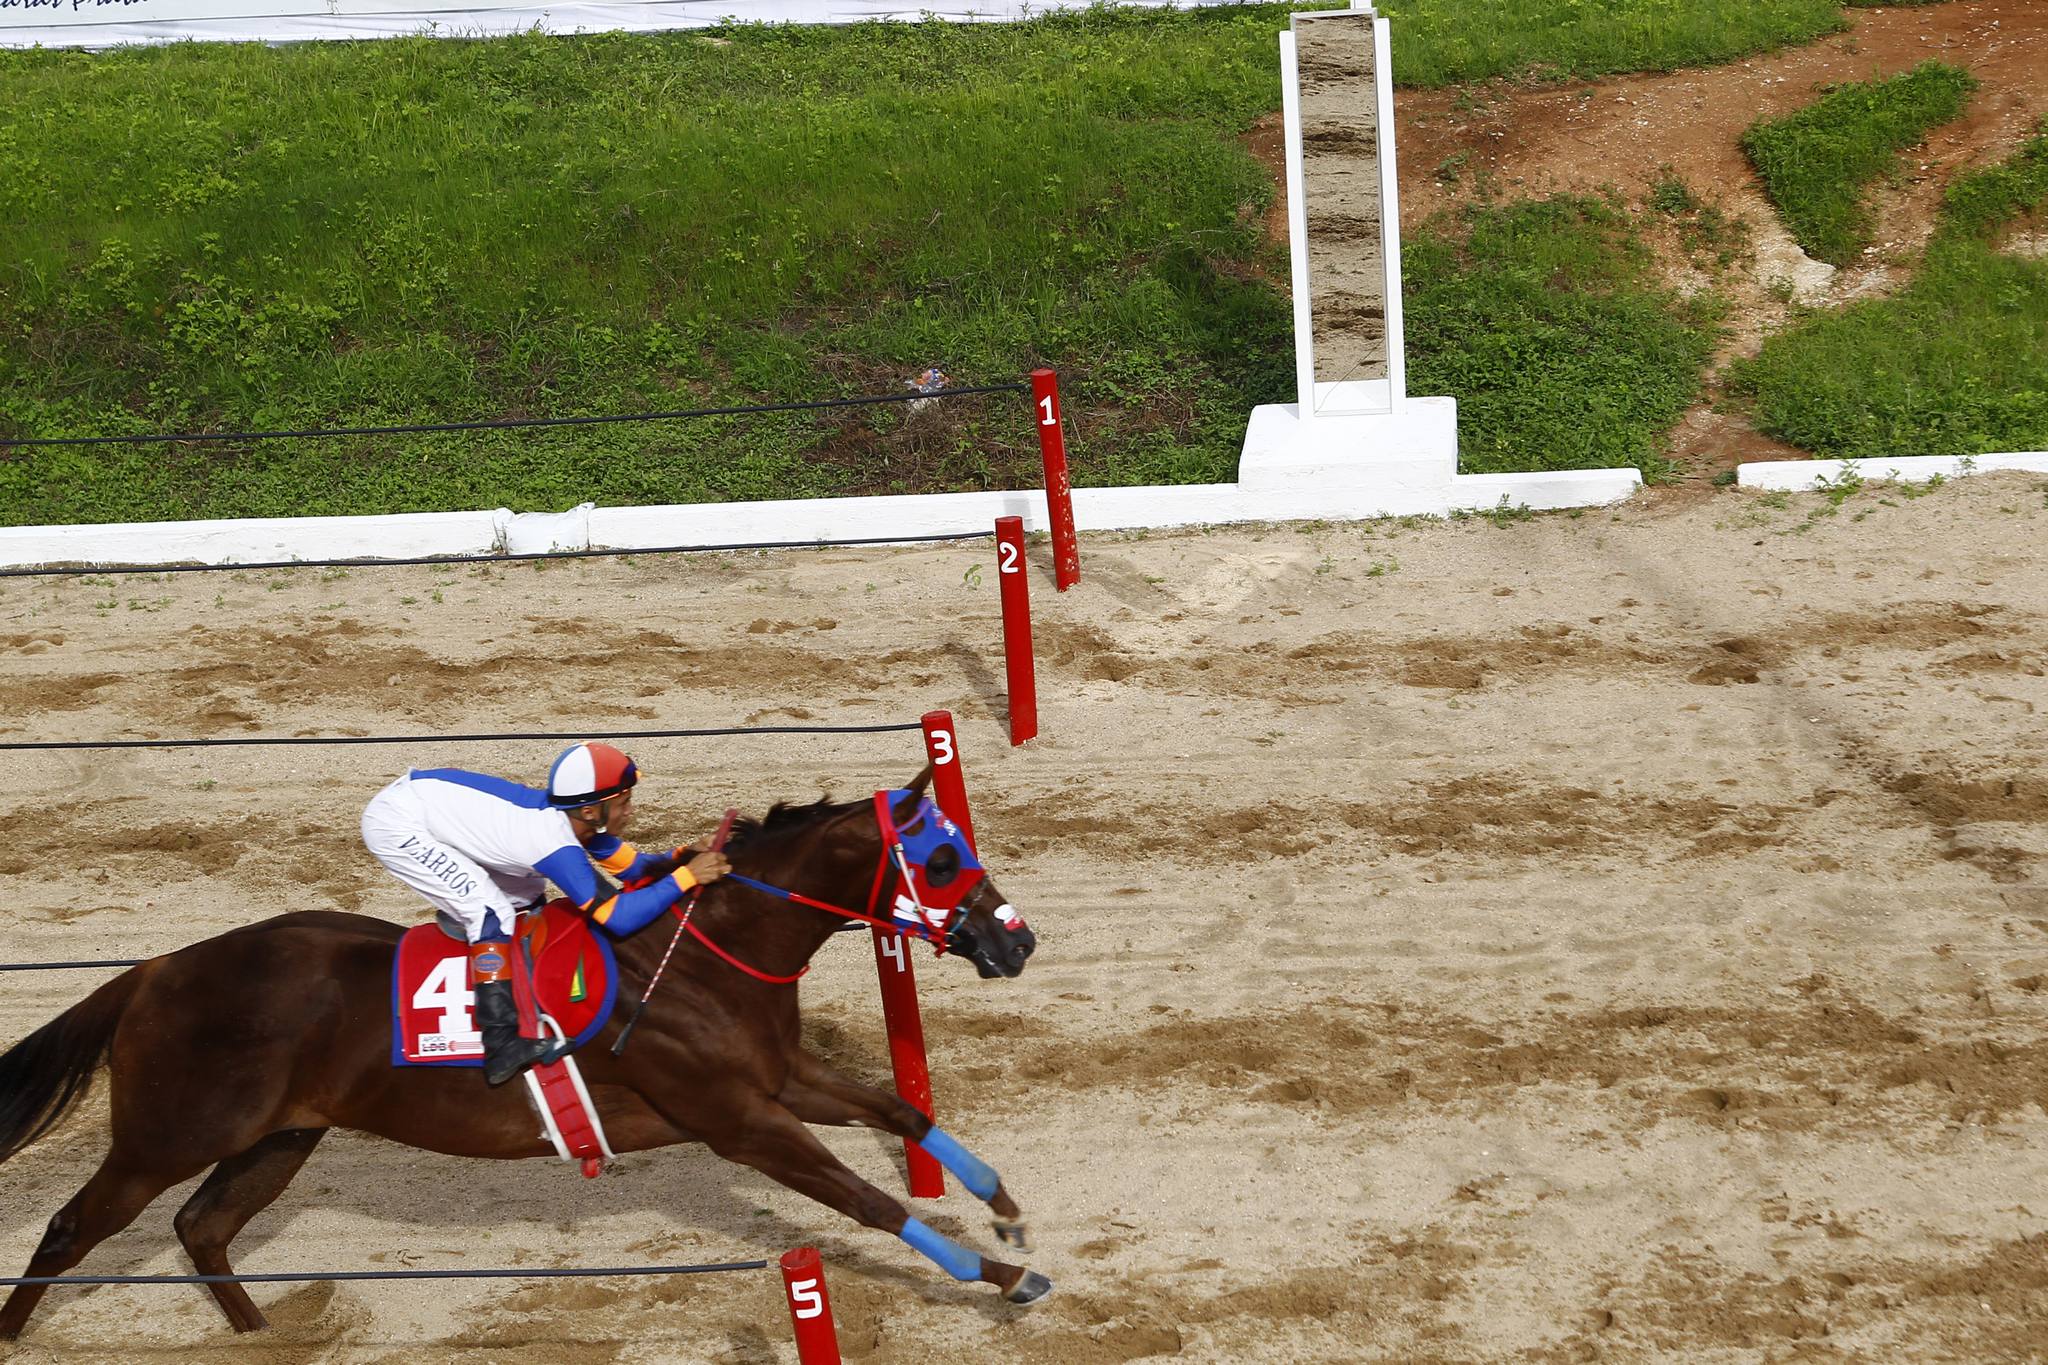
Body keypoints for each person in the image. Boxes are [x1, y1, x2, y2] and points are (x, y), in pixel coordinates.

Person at [361, 741, 730, 1085]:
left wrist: (684, 856)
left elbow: (634, 869)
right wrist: (687, 877)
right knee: (491, 913)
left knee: (527, 898)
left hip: (435, 807)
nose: (630, 810)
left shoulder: (580, 820)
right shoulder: (554, 843)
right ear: (590, 810)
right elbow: (617, 918)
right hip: (399, 824)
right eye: (624, 801)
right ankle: (500, 1043)